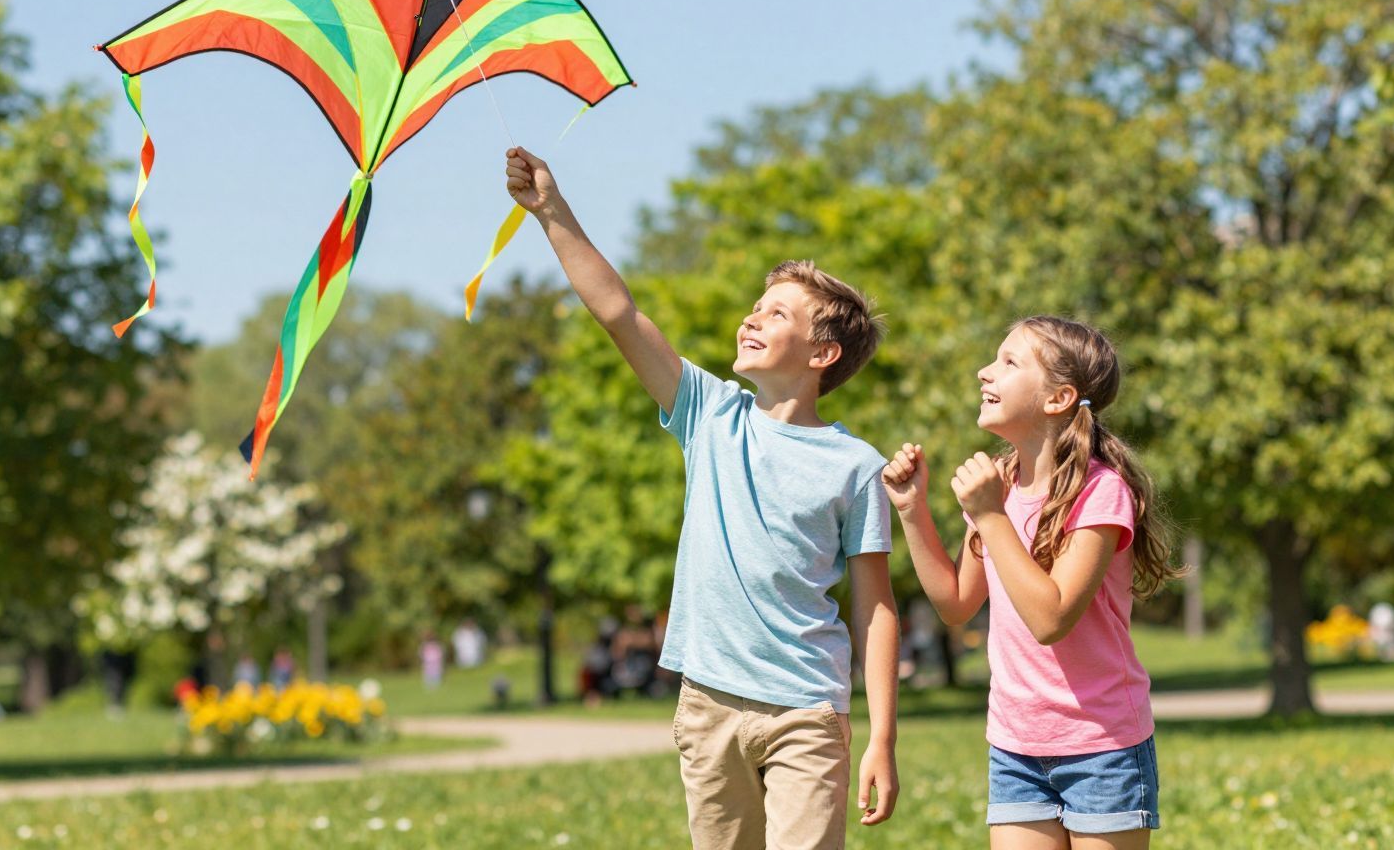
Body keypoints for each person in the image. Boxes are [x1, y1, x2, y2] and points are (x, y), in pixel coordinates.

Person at [506, 147, 901, 845]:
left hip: (806, 713)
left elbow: (876, 611)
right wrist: (551, 212)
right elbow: (620, 314)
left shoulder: (855, 467)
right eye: (756, 305)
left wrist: (882, 739)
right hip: (709, 704)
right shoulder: (709, 414)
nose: (751, 318)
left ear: (822, 355)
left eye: (775, 313)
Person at [883, 316, 1182, 848]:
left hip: (1102, 746)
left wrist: (991, 517)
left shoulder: (1100, 492)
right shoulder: (1001, 489)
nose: (984, 372)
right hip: (1015, 745)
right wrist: (912, 510)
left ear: (1058, 398)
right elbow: (955, 605)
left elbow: (1051, 618)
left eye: (1008, 362)